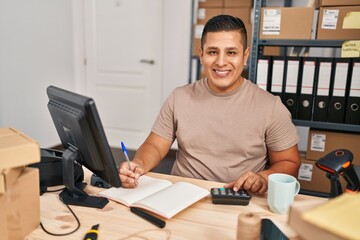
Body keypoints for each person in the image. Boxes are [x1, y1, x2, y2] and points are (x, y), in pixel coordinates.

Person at [118, 14, 300, 195]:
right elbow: (155, 146)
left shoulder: (271, 107)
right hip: (182, 195)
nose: (221, 62)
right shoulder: (179, 97)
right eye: (213, 52)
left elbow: (289, 162)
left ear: (245, 57)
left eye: (231, 52)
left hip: (237, 198)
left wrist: (263, 177)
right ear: (202, 55)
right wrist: (138, 164)